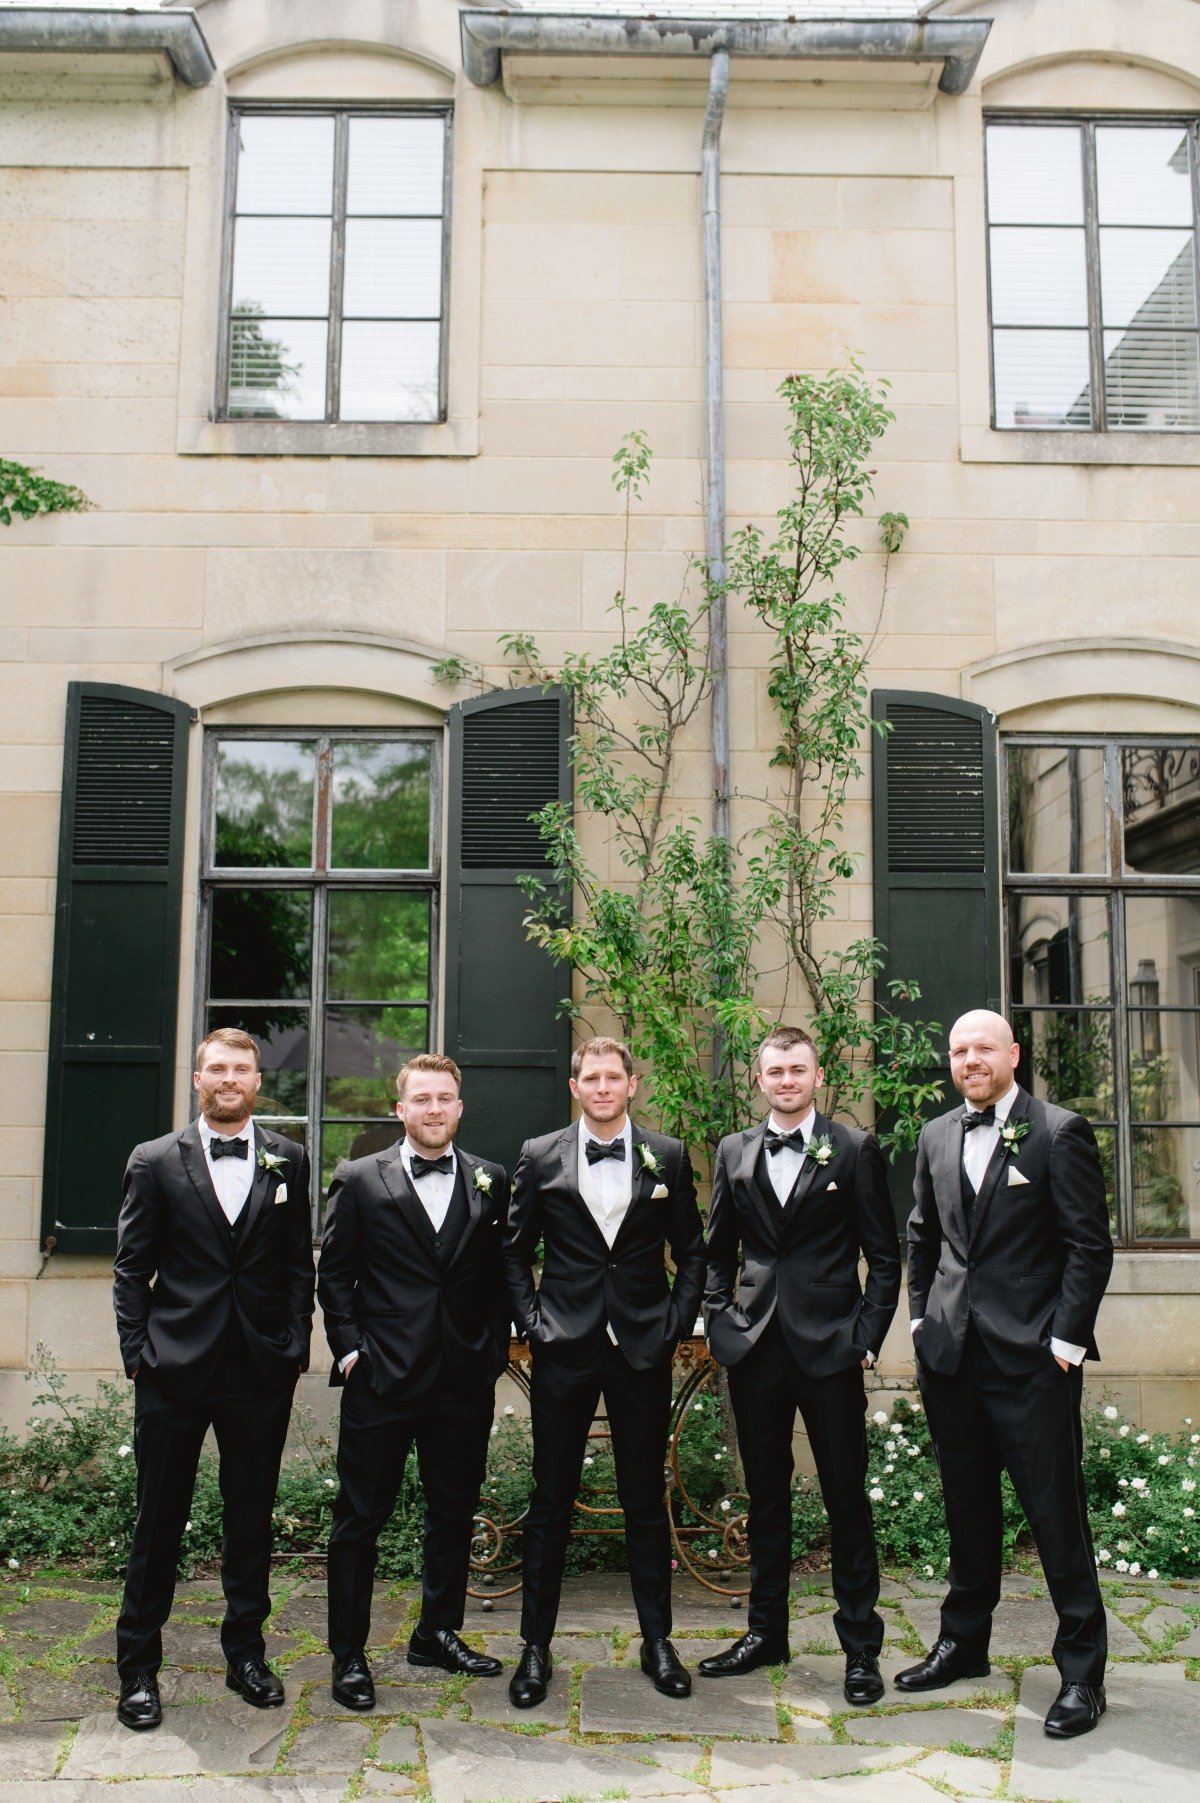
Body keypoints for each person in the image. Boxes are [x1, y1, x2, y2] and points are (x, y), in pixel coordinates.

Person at [899, 1009, 1114, 1739]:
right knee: (967, 1511)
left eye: (982, 1047)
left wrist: (1064, 1342)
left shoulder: (1058, 1132)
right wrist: (922, 1323)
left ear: (1013, 1053)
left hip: (1034, 1363)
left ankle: (1083, 1672)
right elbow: (922, 1237)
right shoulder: (934, 1136)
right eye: (958, 1049)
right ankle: (964, 1643)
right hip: (952, 1358)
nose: (969, 1059)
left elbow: (1090, 1246)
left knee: (1057, 1517)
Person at [112, 1027, 314, 1731]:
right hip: (173, 1367)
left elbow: (297, 1264)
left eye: (242, 1068)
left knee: (250, 1518)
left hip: (259, 1370)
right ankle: (138, 1666)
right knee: (158, 1520)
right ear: (197, 1077)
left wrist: (295, 1347)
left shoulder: (288, 1158)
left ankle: (246, 1654)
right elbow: (131, 1266)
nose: (230, 1078)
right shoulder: (155, 1160)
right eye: (217, 1067)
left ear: (258, 1080)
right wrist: (138, 1351)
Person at [502, 1036, 705, 1708]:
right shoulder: (539, 1155)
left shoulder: (667, 1155)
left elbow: (693, 1252)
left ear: (631, 1084)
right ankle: (535, 1647)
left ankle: (658, 1641)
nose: (602, 1087)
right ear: (575, 1086)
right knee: (550, 1498)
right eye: (591, 1077)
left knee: (645, 1499)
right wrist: (534, 1323)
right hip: (565, 1345)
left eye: (613, 1077)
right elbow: (513, 1250)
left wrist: (673, 1323)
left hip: (641, 1349)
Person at [700, 1025, 900, 1706]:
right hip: (755, 1348)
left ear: (818, 1075)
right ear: (759, 1079)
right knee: (766, 1497)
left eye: (797, 1069)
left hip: (830, 1349)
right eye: (774, 1070)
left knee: (846, 1496)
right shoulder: (733, 1150)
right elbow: (714, 1250)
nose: (785, 1080)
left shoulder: (853, 1148)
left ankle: (861, 1649)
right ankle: (766, 1632)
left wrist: (867, 1336)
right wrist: (717, 1318)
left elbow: (885, 1252)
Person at [317, 1054, 511, 1710]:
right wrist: (350, 1353)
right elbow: (334, 1274)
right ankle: (348, 1654)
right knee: (358, 1520)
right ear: (399, 1108)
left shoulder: (492, 1179)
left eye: (445, 1097)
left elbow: (497, 1273)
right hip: (382, 1379)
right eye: (421, 1097)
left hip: (462, 1379)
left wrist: (490, 1350)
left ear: (459, 1107)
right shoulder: (359, 1178)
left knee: (452, 1514)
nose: (434, 1108)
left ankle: (436, 1631)